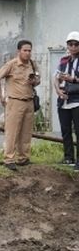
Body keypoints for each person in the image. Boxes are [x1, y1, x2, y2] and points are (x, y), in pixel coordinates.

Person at [0, 39, 41, 170]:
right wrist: (1, 96)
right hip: (15, 101)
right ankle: (9, 159)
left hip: (29, 101)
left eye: (29, 50)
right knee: (12, 132)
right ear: (19, 51)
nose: (28, 53)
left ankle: (23, 158)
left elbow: (38, 80)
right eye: (25, 50)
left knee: (26, 132)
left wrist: (34, 81)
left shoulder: (32, 64)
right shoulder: (12, 64)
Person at [54, 30, 79, 168]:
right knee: (65, 130)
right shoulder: (63, 60)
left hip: (77, 100)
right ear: (67, 45)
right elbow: (55, 78)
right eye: (71, 44)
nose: (73, 47)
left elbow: (72, 79)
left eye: (76, 44)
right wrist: (58, 91)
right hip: (63, 100)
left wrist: (73, 79)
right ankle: (68, 157)